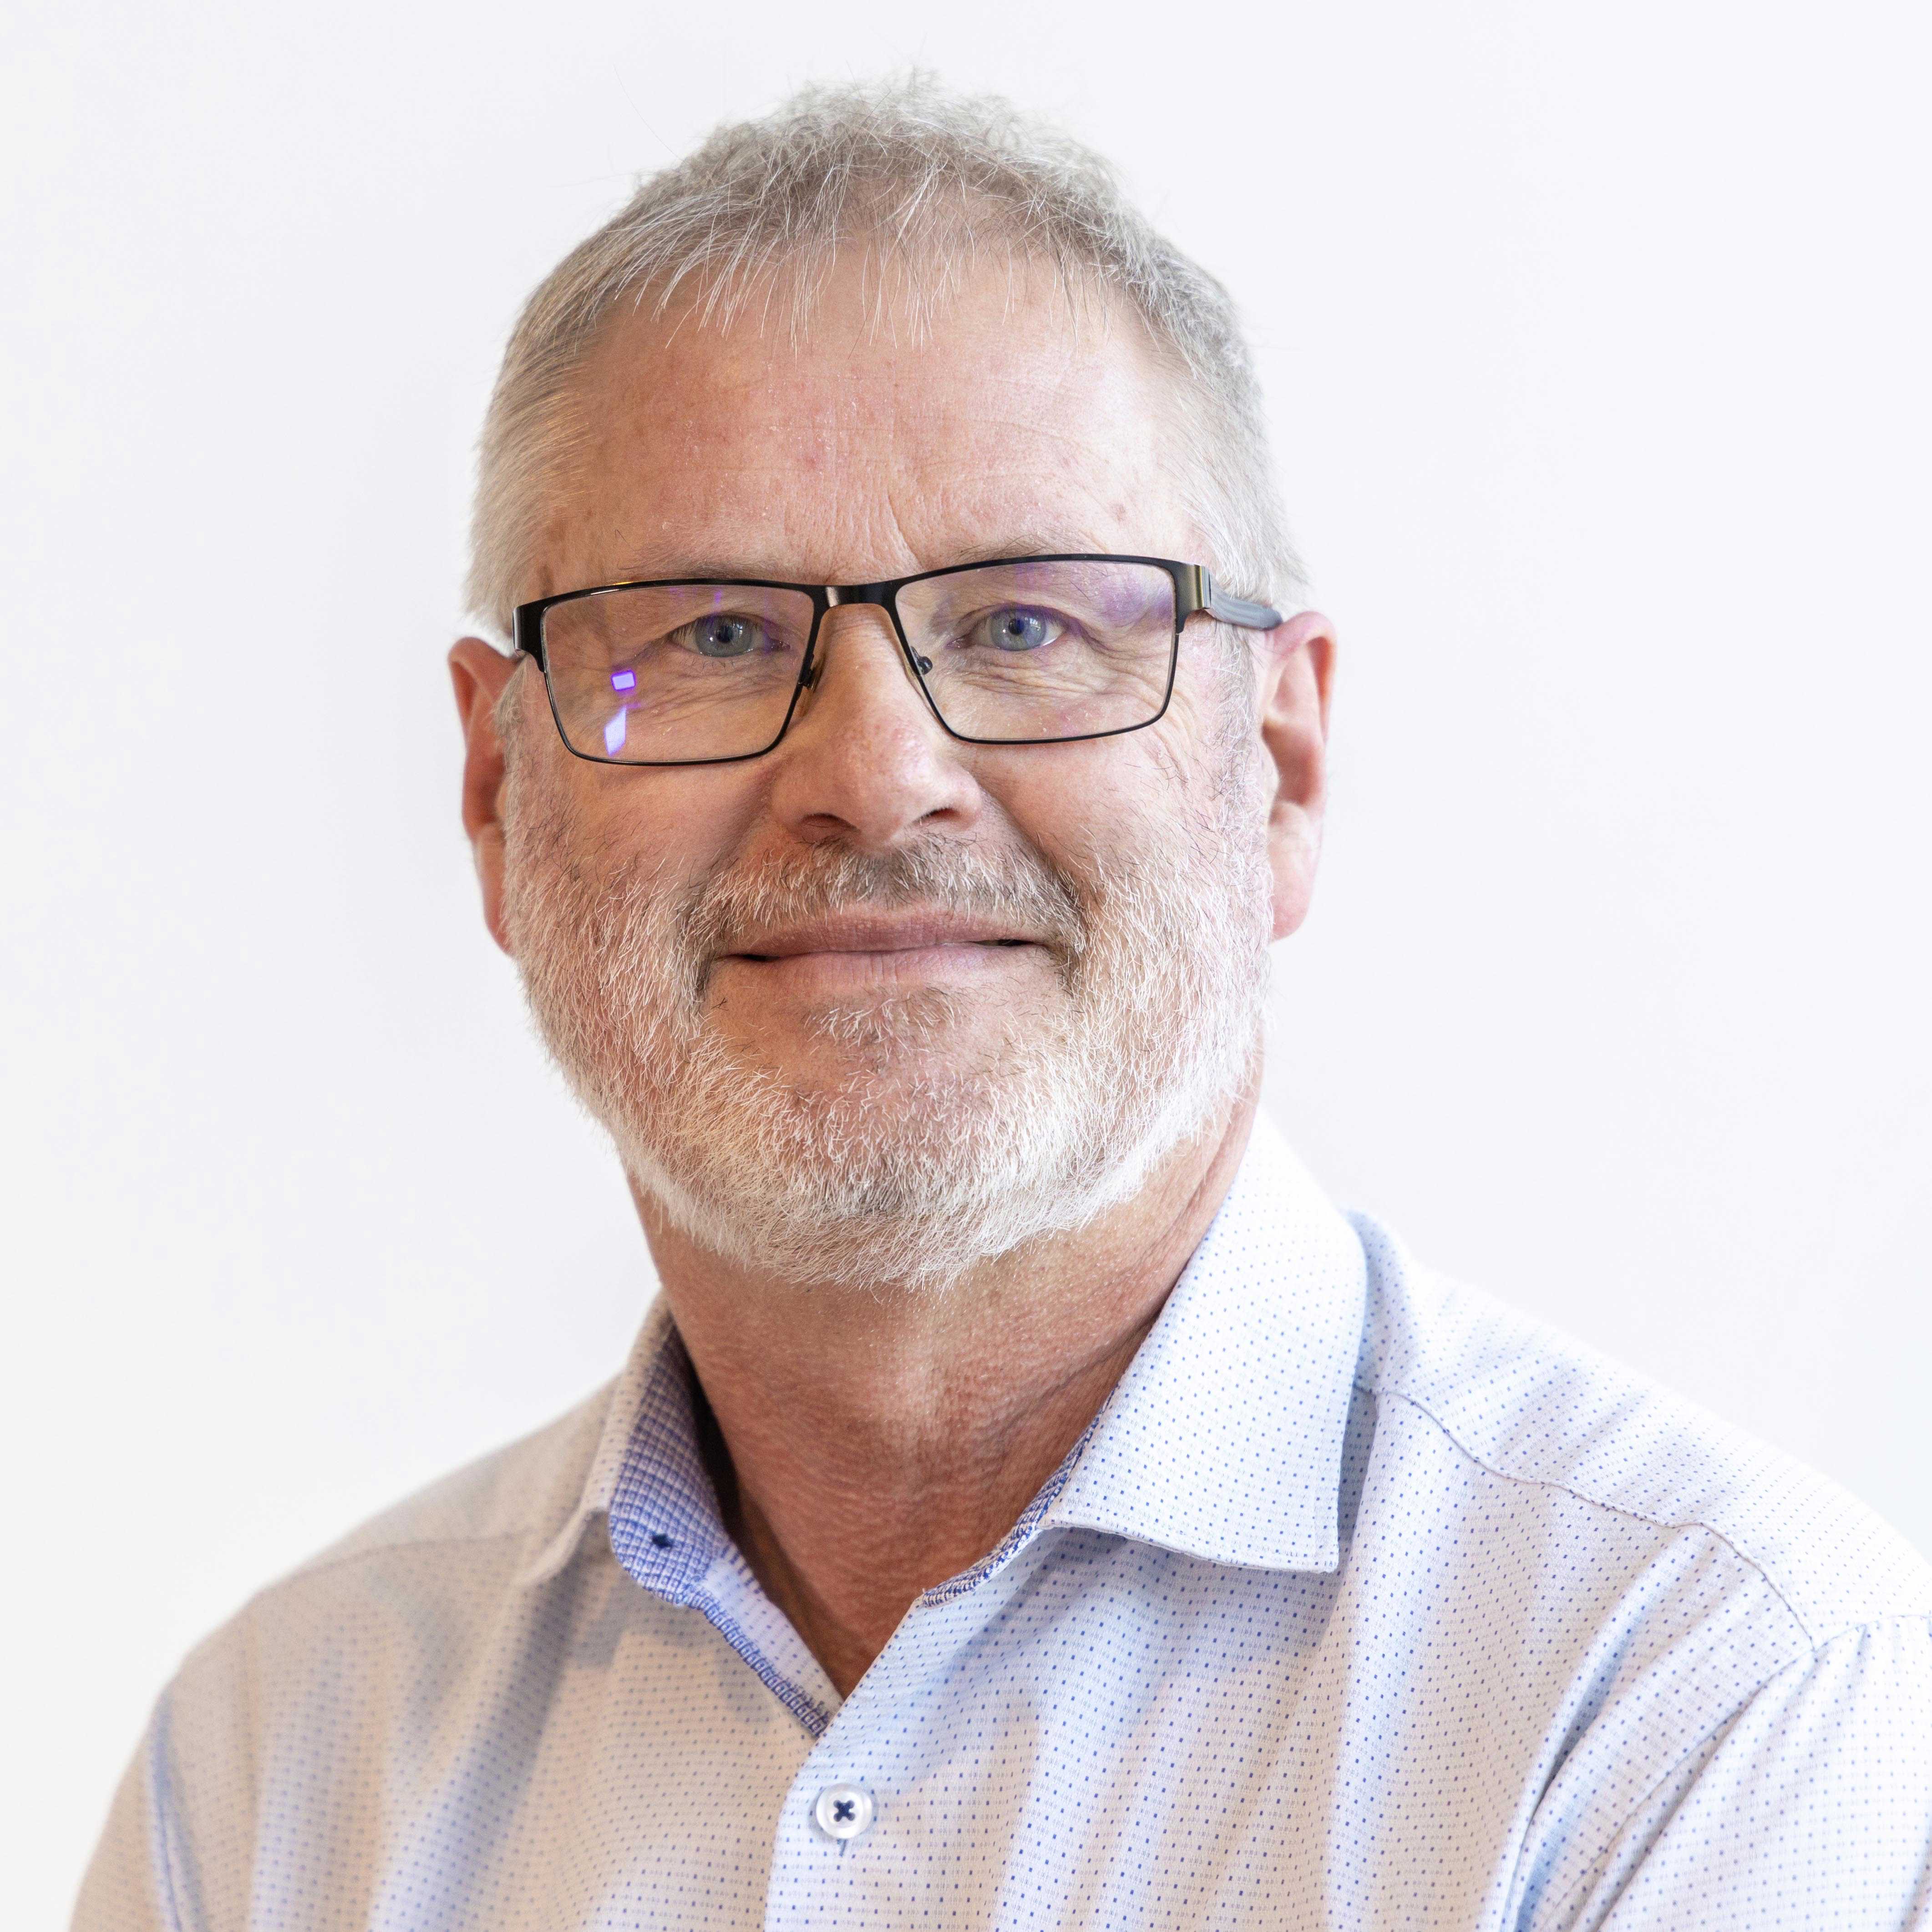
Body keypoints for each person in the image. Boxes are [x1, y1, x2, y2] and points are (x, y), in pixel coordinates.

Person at [76, 77, 1932, 1932]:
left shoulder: (1705, 1704)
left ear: (1280, 768)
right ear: (497, 795)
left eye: (1026, 626)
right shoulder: (268, 1780)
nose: (877, 779)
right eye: (713, 633)